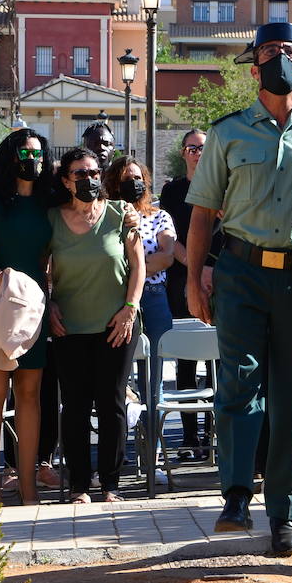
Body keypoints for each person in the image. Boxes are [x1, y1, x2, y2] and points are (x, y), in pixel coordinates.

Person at [185, 21, 292, 556]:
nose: (279, 59)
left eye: (289, 52)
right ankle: (234, 496)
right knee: (239, 386)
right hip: (241, 272)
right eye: (269, 52)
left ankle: (287, 515)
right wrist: (193, 277)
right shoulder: (227, 133)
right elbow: (203, 213)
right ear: (254, 69)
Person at [49, 146, 144, 504]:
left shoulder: (122, 213)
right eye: (80, 174)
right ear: (66, 181)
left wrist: (130, 309)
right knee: (74, 405)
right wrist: (49, 304)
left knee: (112, 403)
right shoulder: (53, 218)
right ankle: (78, 487)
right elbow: (42, 268)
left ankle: (111, 485)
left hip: (118, 324)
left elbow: (139, 266)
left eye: (93, 173)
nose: (88, 180)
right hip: (68, 327)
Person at [0, 129, 54, 505]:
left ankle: (29, 488)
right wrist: (11, 293)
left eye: (38, 153)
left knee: (30, 395)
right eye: (24, 152)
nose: (31, 159)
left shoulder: (48, 201)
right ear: (10, 155)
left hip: (34, 309)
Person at [159, 129, 219, 457]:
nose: (198, 153)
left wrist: (214, 272)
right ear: (183, 153)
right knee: (185, 362)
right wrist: (196, 271)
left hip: (222, 278)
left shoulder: (224, 185)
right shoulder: (172, 191)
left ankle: (216, 433)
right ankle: (189, 437)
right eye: (192, 148)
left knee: (220, 363)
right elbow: (173, 236)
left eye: (203, 148)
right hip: (183, 279)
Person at [106, 155, 175, 415]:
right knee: (118, 379)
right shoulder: (106, 217)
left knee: (153, 380)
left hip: (154, 298)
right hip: (114, 300)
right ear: (114, 183)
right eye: (126, 179)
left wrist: (133, 266)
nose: (133, 183)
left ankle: (152, 451)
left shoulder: (160, 217)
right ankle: (123, 445)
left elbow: (166, 257)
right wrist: (142, 264)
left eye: (137, 178)